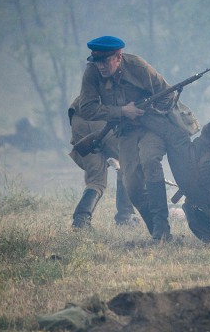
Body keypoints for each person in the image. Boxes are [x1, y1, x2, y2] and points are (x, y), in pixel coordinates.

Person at [68, 36, 193, 240]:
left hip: (151, 128)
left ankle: (161, 229)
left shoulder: (138, 67)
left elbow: (168, 96)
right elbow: (87, 108)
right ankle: (159, 234)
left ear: (118, 57)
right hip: (125, 130)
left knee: (150, 161)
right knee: (132, 186)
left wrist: (147, 108)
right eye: (96, 61)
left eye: (105, 61)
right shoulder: (92, 72)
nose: (100, 65)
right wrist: (123, 112)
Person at [67, 112, 139, 229]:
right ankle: (125, 216)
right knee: (129, 163)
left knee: (96, 181)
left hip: (79, 121)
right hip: (105, 122)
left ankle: (81, 219)